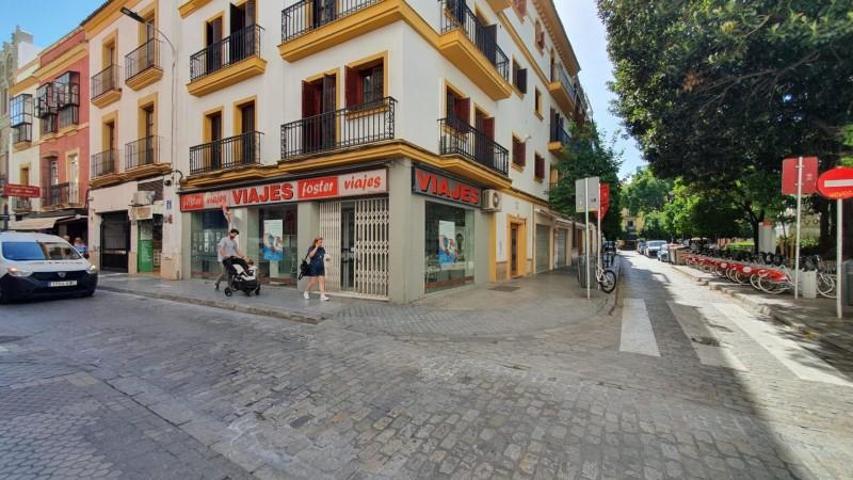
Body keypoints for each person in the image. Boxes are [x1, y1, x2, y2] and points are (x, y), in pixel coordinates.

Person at [303, 237, 329, 301]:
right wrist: (316, 247)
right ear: (316, 242)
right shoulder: (311, 248)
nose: (321, 243)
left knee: (322, 282)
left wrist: (327, 258)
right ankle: (306, 292)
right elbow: (310, 255)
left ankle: (322, 296)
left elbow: (324, 256)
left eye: (321, 242)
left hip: (321, 267)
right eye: (320, 242)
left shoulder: (322, 249)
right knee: (313, 281)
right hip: (313, 267)